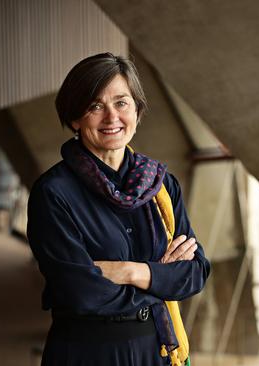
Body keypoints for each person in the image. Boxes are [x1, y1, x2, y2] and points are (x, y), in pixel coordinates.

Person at [27, 53, 211, 366]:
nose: (111, 117)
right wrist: (160, 277)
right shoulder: (54, 193)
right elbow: (81, 293)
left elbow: (194, 273)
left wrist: (130, 271)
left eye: (121, 103)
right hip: (89, 353)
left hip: (157, 350)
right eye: (95, 106)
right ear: (75, 118)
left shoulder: (162, 184)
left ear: (137, 111)